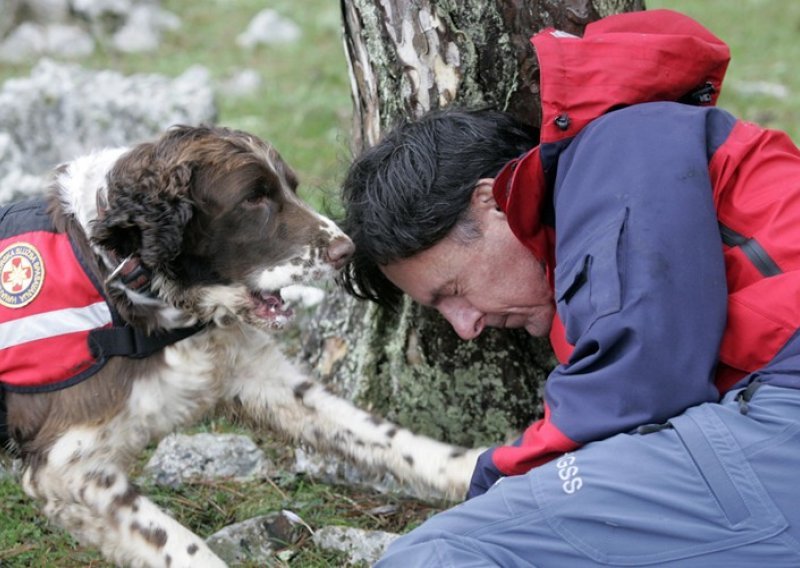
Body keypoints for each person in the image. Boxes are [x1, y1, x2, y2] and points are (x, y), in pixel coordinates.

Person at [339, 8, 800, 567]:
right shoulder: (613, 214)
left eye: (452, 290)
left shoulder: (621, 145)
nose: (466, 326)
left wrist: (493, 479)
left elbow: (644, 372)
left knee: (444, 552)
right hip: (765, 423)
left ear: (490, 203)